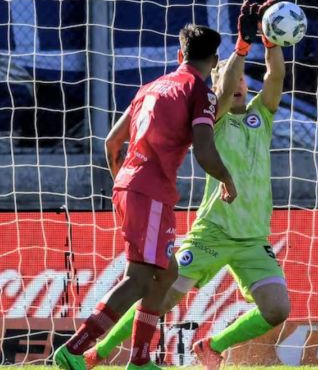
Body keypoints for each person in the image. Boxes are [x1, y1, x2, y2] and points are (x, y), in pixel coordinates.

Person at [82, 0, 289, 370]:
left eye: (242, 77)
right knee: (158, 299)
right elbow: (223, 93)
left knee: (277, 309)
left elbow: (275, 78)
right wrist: (240, 50)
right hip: (212, 233)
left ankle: (212, 345)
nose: (238, 82)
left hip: (254, 237)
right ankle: (99, 353)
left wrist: (270, 40)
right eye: (229, 75)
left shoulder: (262, 115)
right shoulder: (215, 114)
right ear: (219, 79)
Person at [54, 21, 239, 370]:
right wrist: (226, 178)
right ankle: (73, 350)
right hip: (150, 191)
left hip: (132, 185)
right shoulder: (198, 91)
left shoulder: (150, 87)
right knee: (138, 278)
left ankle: (140, 360)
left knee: (165, 273)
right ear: (214, 61)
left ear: (179, 53)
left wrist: (125, 181)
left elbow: (112, 143)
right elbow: (204, 148)